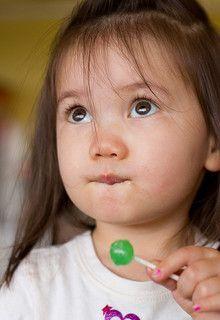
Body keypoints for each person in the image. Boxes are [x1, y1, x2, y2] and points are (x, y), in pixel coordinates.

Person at [0, 0, 220, 319]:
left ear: (213, 143)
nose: (101, 145)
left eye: (142, 106)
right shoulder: (30, 289)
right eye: (78, 113)